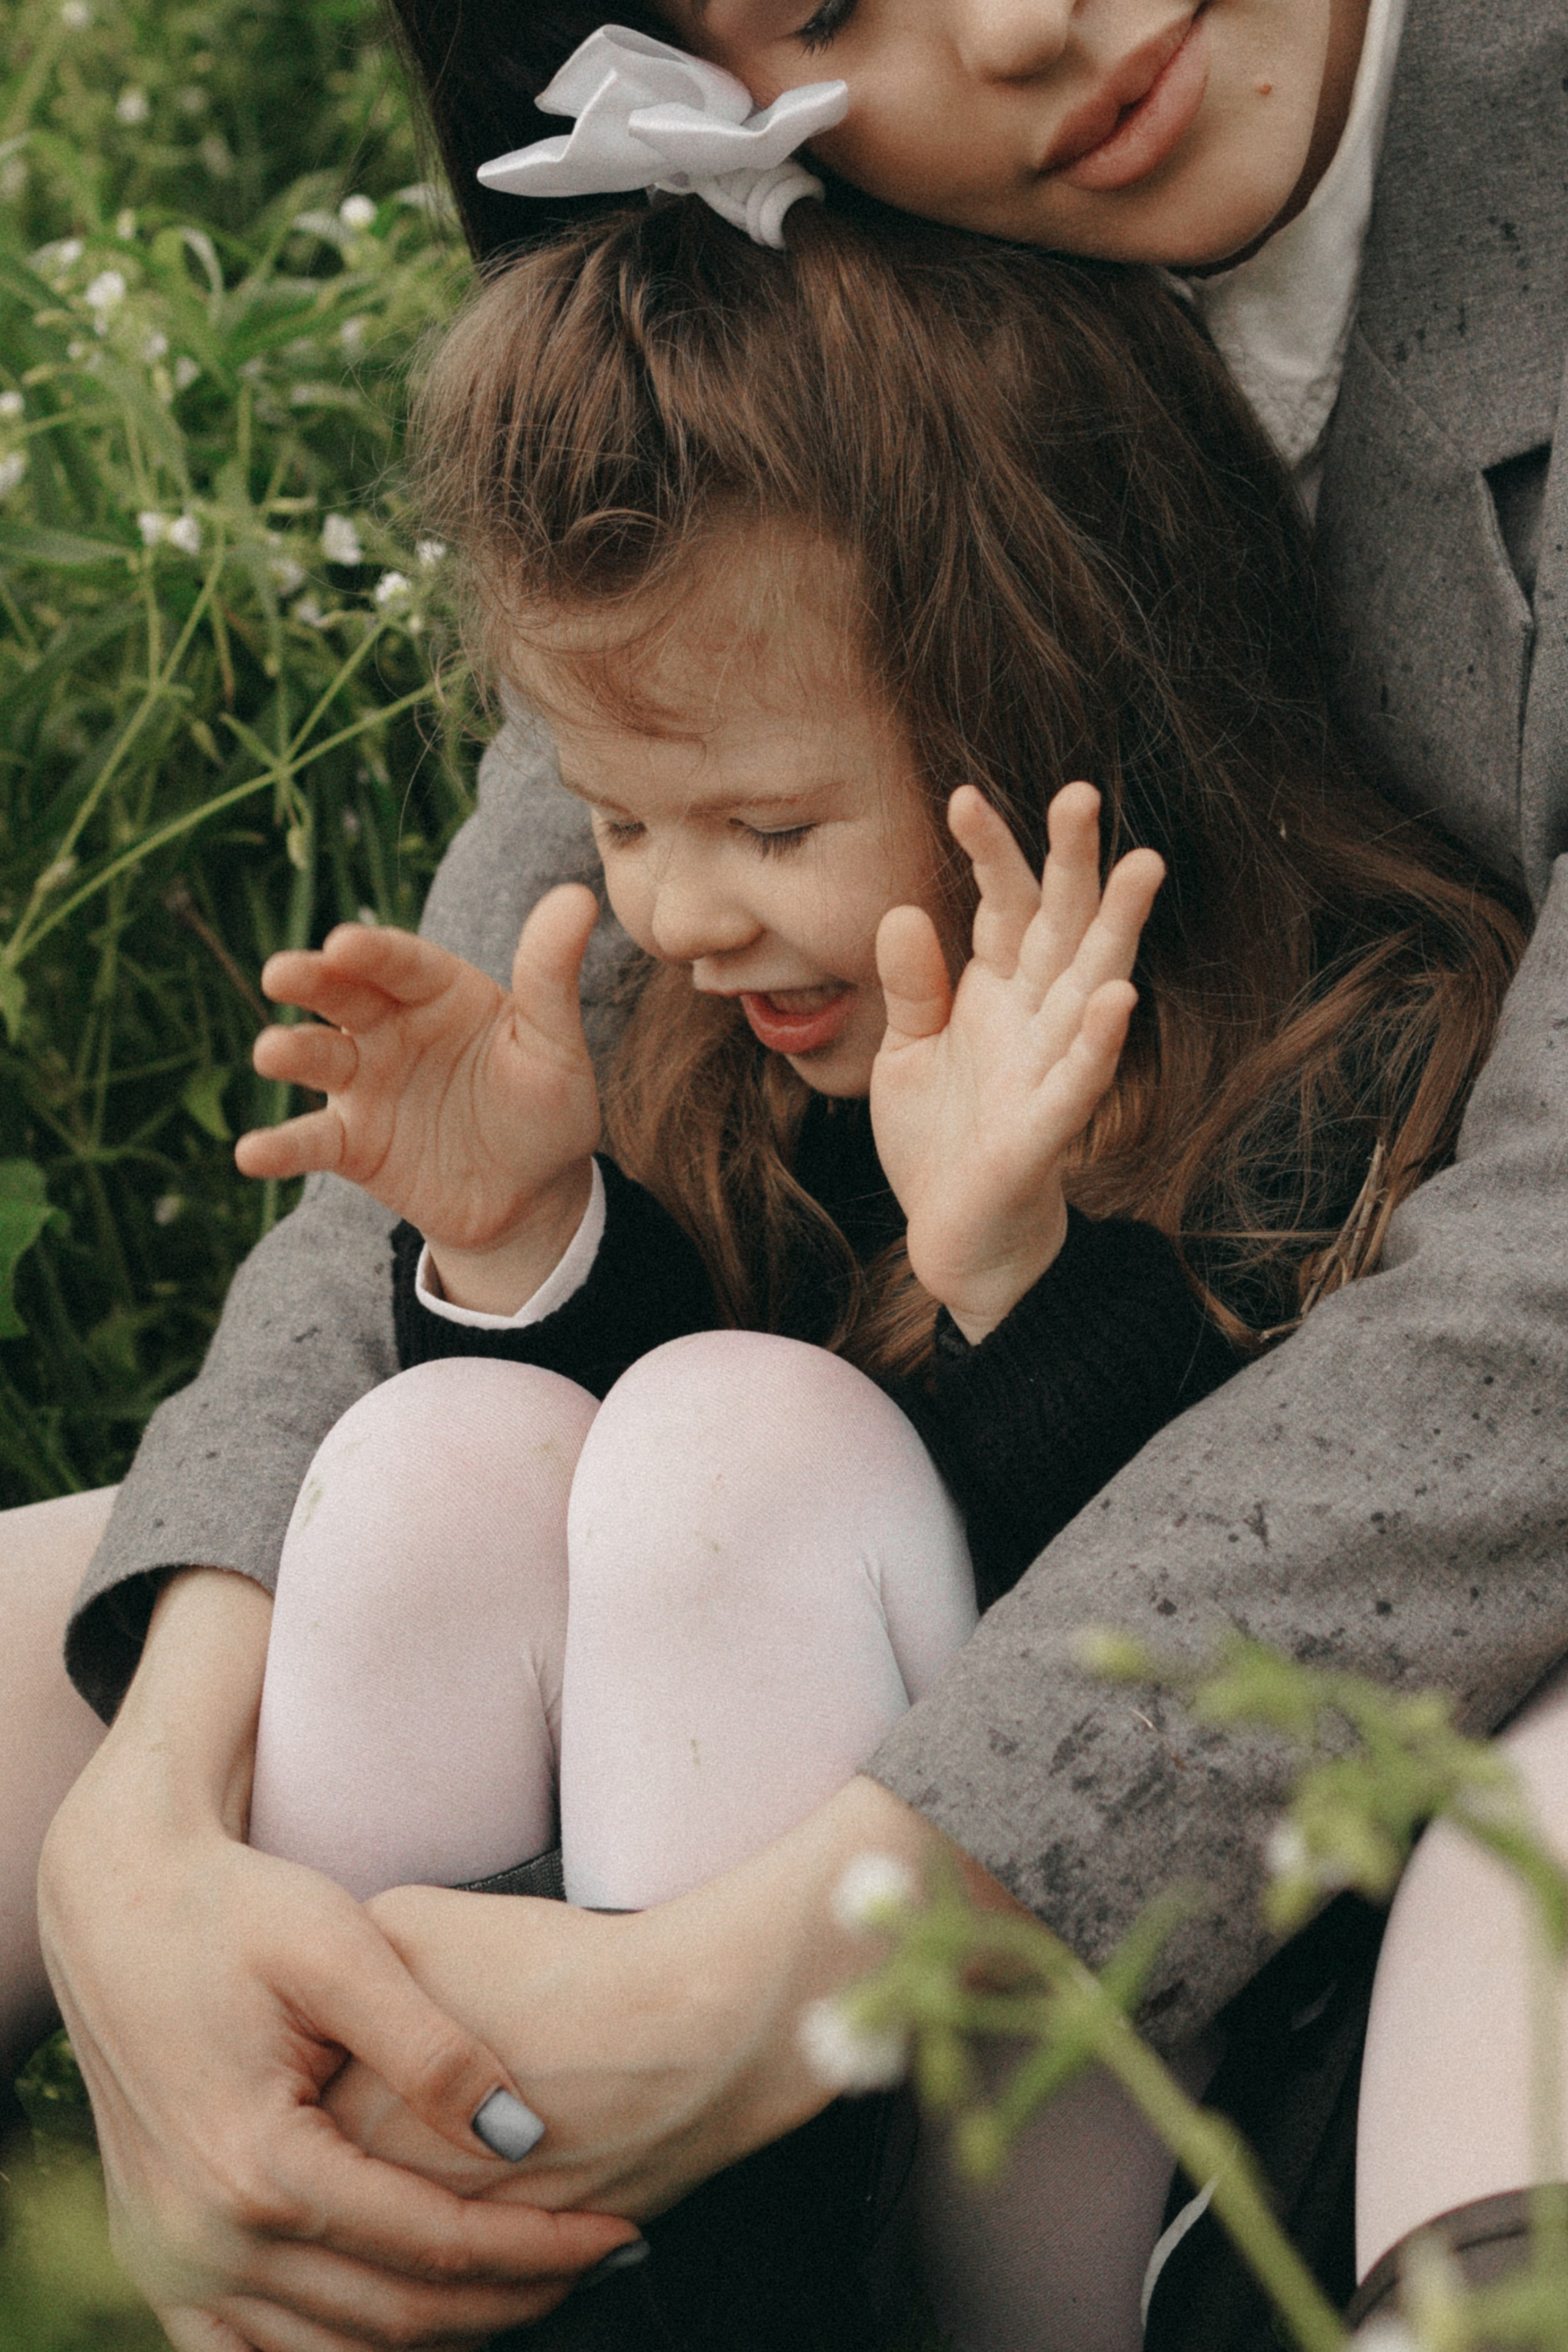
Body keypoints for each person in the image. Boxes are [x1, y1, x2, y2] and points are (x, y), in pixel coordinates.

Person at [9, 0, 1564, 2340]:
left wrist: (1015, 1268)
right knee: (418, 1464)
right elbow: (524, 1062)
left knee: (745, 1449)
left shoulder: (1303, 1001)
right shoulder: (815, 359)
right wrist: (140, 1834)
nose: (1041, 25)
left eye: (753, 830)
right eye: (825, 10)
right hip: (776, 1737)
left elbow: (1470, 1365)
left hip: (1216, 1847)